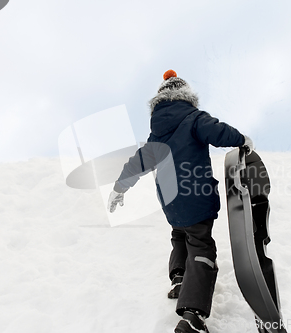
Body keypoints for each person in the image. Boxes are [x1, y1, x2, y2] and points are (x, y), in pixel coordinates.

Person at [108, 70, 253, 333]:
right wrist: (241, 139)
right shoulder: (194, 118)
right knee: (201, 247)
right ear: (187, 96)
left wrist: (120, 187)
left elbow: (138, 162)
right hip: (196, 198)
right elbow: (218, 132)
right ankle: (193, 316)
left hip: (171, 203)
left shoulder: (157, 133)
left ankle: (179, 278)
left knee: (179, 234)